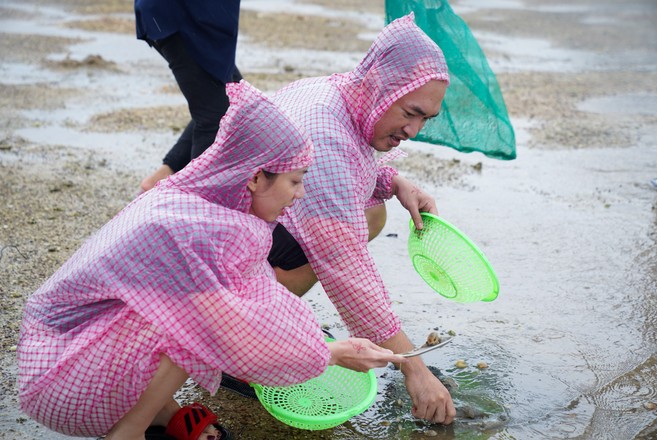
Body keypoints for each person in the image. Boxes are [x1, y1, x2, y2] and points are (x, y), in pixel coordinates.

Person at [17, 81, 405, 440]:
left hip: (73, 350)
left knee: (199, 316)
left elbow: (263, 298)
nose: (300, 193)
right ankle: (128, 431)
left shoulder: (208, 204)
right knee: (201, 326)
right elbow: (235, 329)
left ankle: (160, 414)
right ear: (255, 178)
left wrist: (323, 347)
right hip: (60, 380)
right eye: (295, 180)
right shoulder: (193, 230)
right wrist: (330, 354)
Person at [266, 13, 457, 425]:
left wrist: (394, 181)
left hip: (247, 223)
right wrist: (413, 367)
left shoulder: (341, 92)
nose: (415, 130)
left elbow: (348, 168)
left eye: (426, 118)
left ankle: (262, 312)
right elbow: (345, 267)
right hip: (212, 258)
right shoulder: (324, 129)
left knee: (371, 210)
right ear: (380, 88)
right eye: (411, 112)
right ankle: (244, 342)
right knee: (332, 244)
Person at [134, 0, 243, 193]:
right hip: (186, 16)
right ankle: (194, 206)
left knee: (234, 100)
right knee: (215, 117)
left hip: (193, 16)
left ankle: (160, 180)